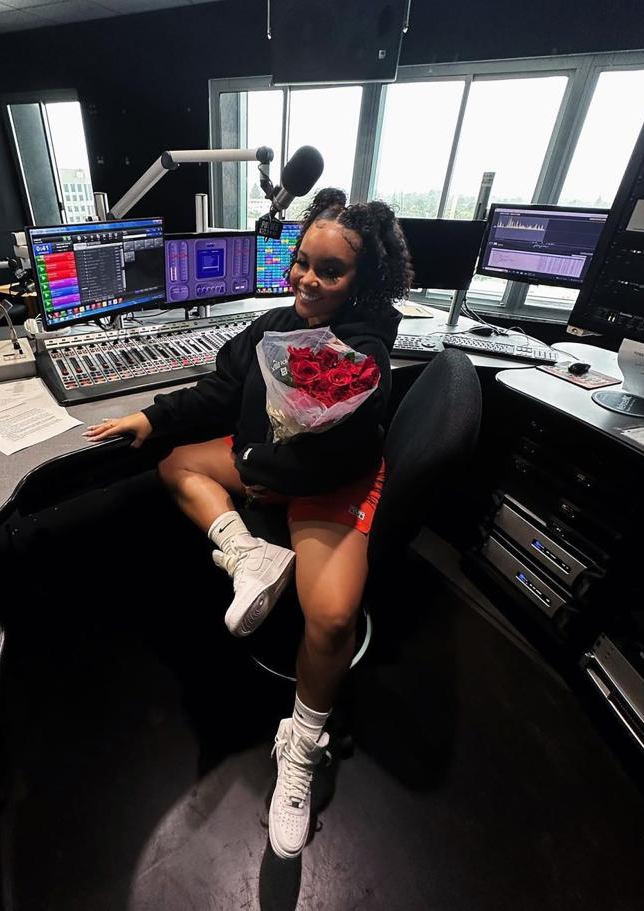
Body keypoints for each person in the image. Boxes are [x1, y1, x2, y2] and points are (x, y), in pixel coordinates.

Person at [85, 188, 413, 859]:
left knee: (329, 618)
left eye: (330, 270)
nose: (308, 279)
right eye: (302, 262)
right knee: (176, 462)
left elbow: (339, 452)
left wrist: (263, 469)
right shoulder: (270, 324)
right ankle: (246, 556)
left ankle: (300, 747)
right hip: (271, 466)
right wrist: (153, 417)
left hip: (328, 486)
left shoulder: (366, 351)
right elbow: (221, 388)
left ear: (361, 281)